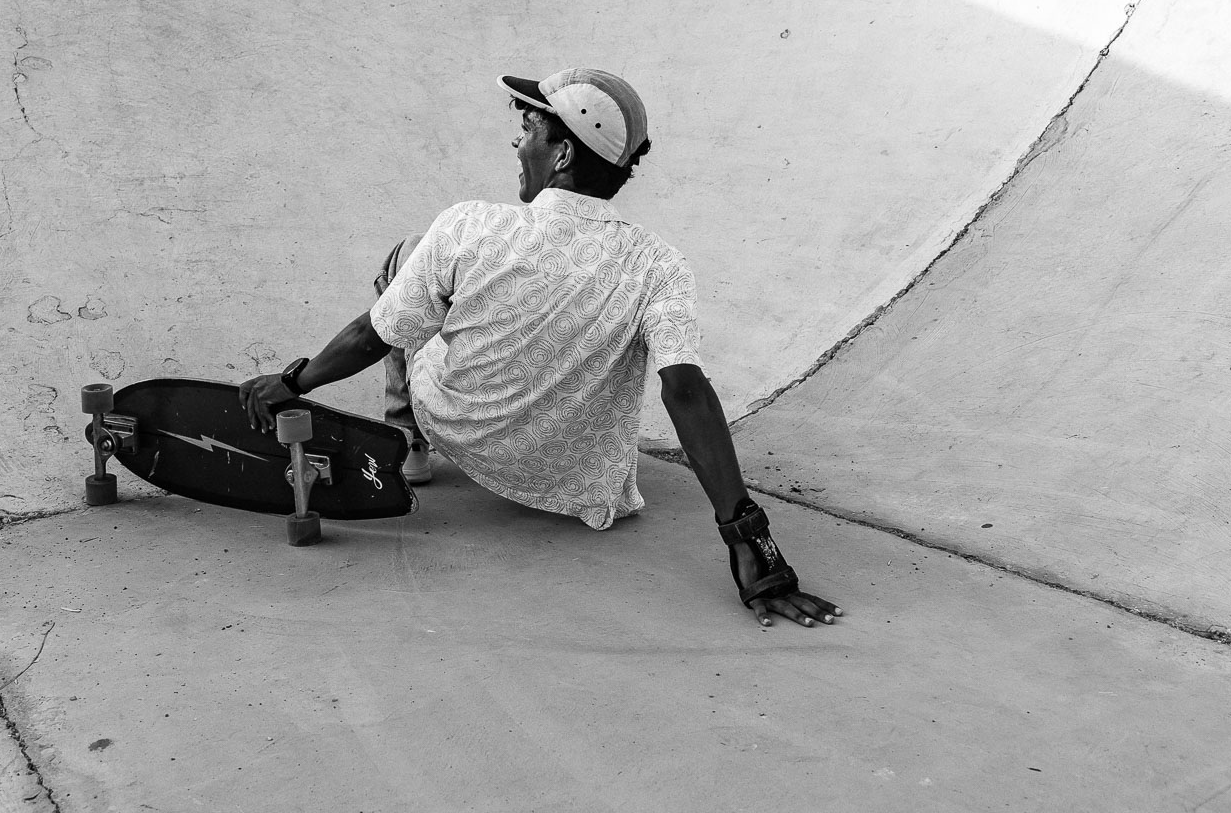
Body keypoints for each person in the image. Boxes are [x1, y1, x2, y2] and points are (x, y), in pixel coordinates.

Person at [238, 68, 840, 628]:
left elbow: (374, 335)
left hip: (459, 427)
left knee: (409, 259)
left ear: (563, 154)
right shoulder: (659, 264)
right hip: (580, 482)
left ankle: (410, 438)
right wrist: (749, 537)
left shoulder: (469, 225)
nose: (517, 143)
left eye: (528, 129)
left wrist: (291, 383)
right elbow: (686, 391)